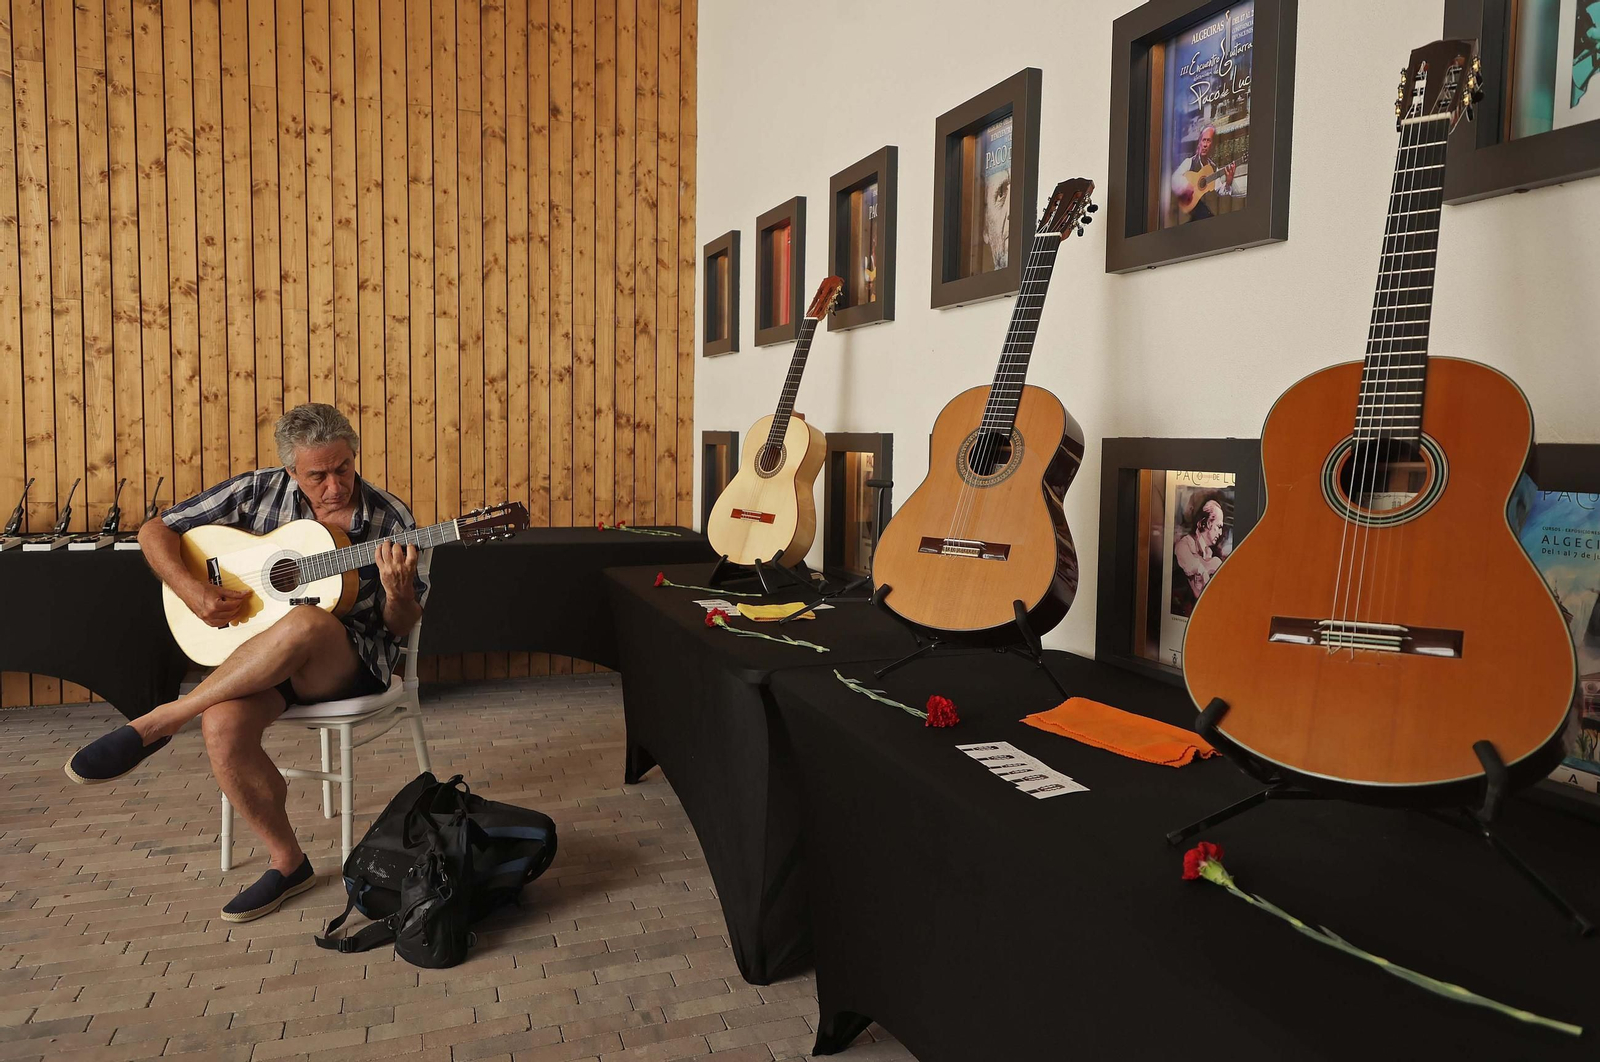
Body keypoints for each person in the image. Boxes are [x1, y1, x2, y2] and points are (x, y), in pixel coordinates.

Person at [65, 404, 429, 922]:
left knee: (307, 622)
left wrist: (398, 593)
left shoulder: (390, 520)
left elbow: (399, 626)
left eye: (343, 468)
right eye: (317, 475)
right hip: (264, 660)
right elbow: (154, 531)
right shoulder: (258, 490)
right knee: (221, 723)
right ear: (291, 472)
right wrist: (192, 590)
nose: (334, 486)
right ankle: (288, 862)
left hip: (349, 666)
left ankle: (165, 718)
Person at [1170, 125, 1242, 222]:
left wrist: (1228, 182)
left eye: (1208, 141)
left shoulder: (1212, 168)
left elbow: (1220, 191)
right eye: (1203, 140)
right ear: (1199, 143)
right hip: (1188, 215)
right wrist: (1187, 186)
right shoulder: (1189, 162)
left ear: (1212, 145)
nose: (1205, 144)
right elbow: (1174, 179)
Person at [1174, 498, 1229, 609]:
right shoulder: (1185, 544)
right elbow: (1192, 565)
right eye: (1219, 527)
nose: (1220, 532)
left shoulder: (1210, 554)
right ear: (1208, 523)